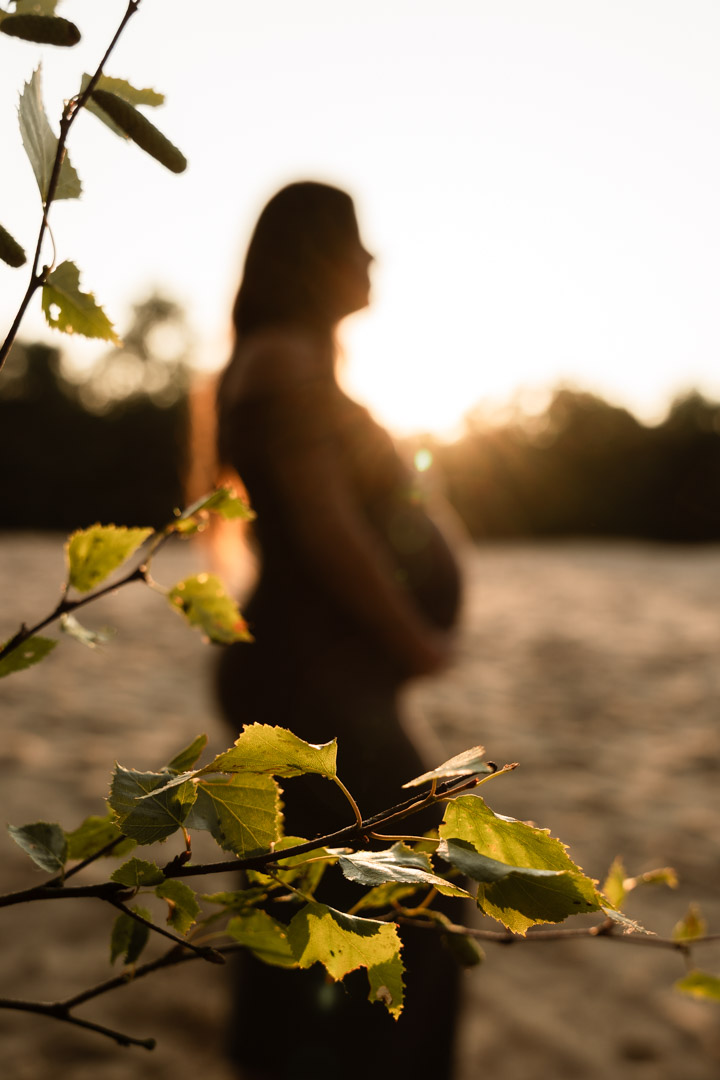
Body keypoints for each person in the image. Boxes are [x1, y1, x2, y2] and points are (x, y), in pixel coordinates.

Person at [215, 181, 463, 1079]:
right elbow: (329, 533)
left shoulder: (290, 361)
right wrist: (415, 639)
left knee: (330, 902)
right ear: (311, 259)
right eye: (354, 242)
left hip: (320, 675)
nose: (371, 260)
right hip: (314, 682)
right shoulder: (285, 361)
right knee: (403, 902)